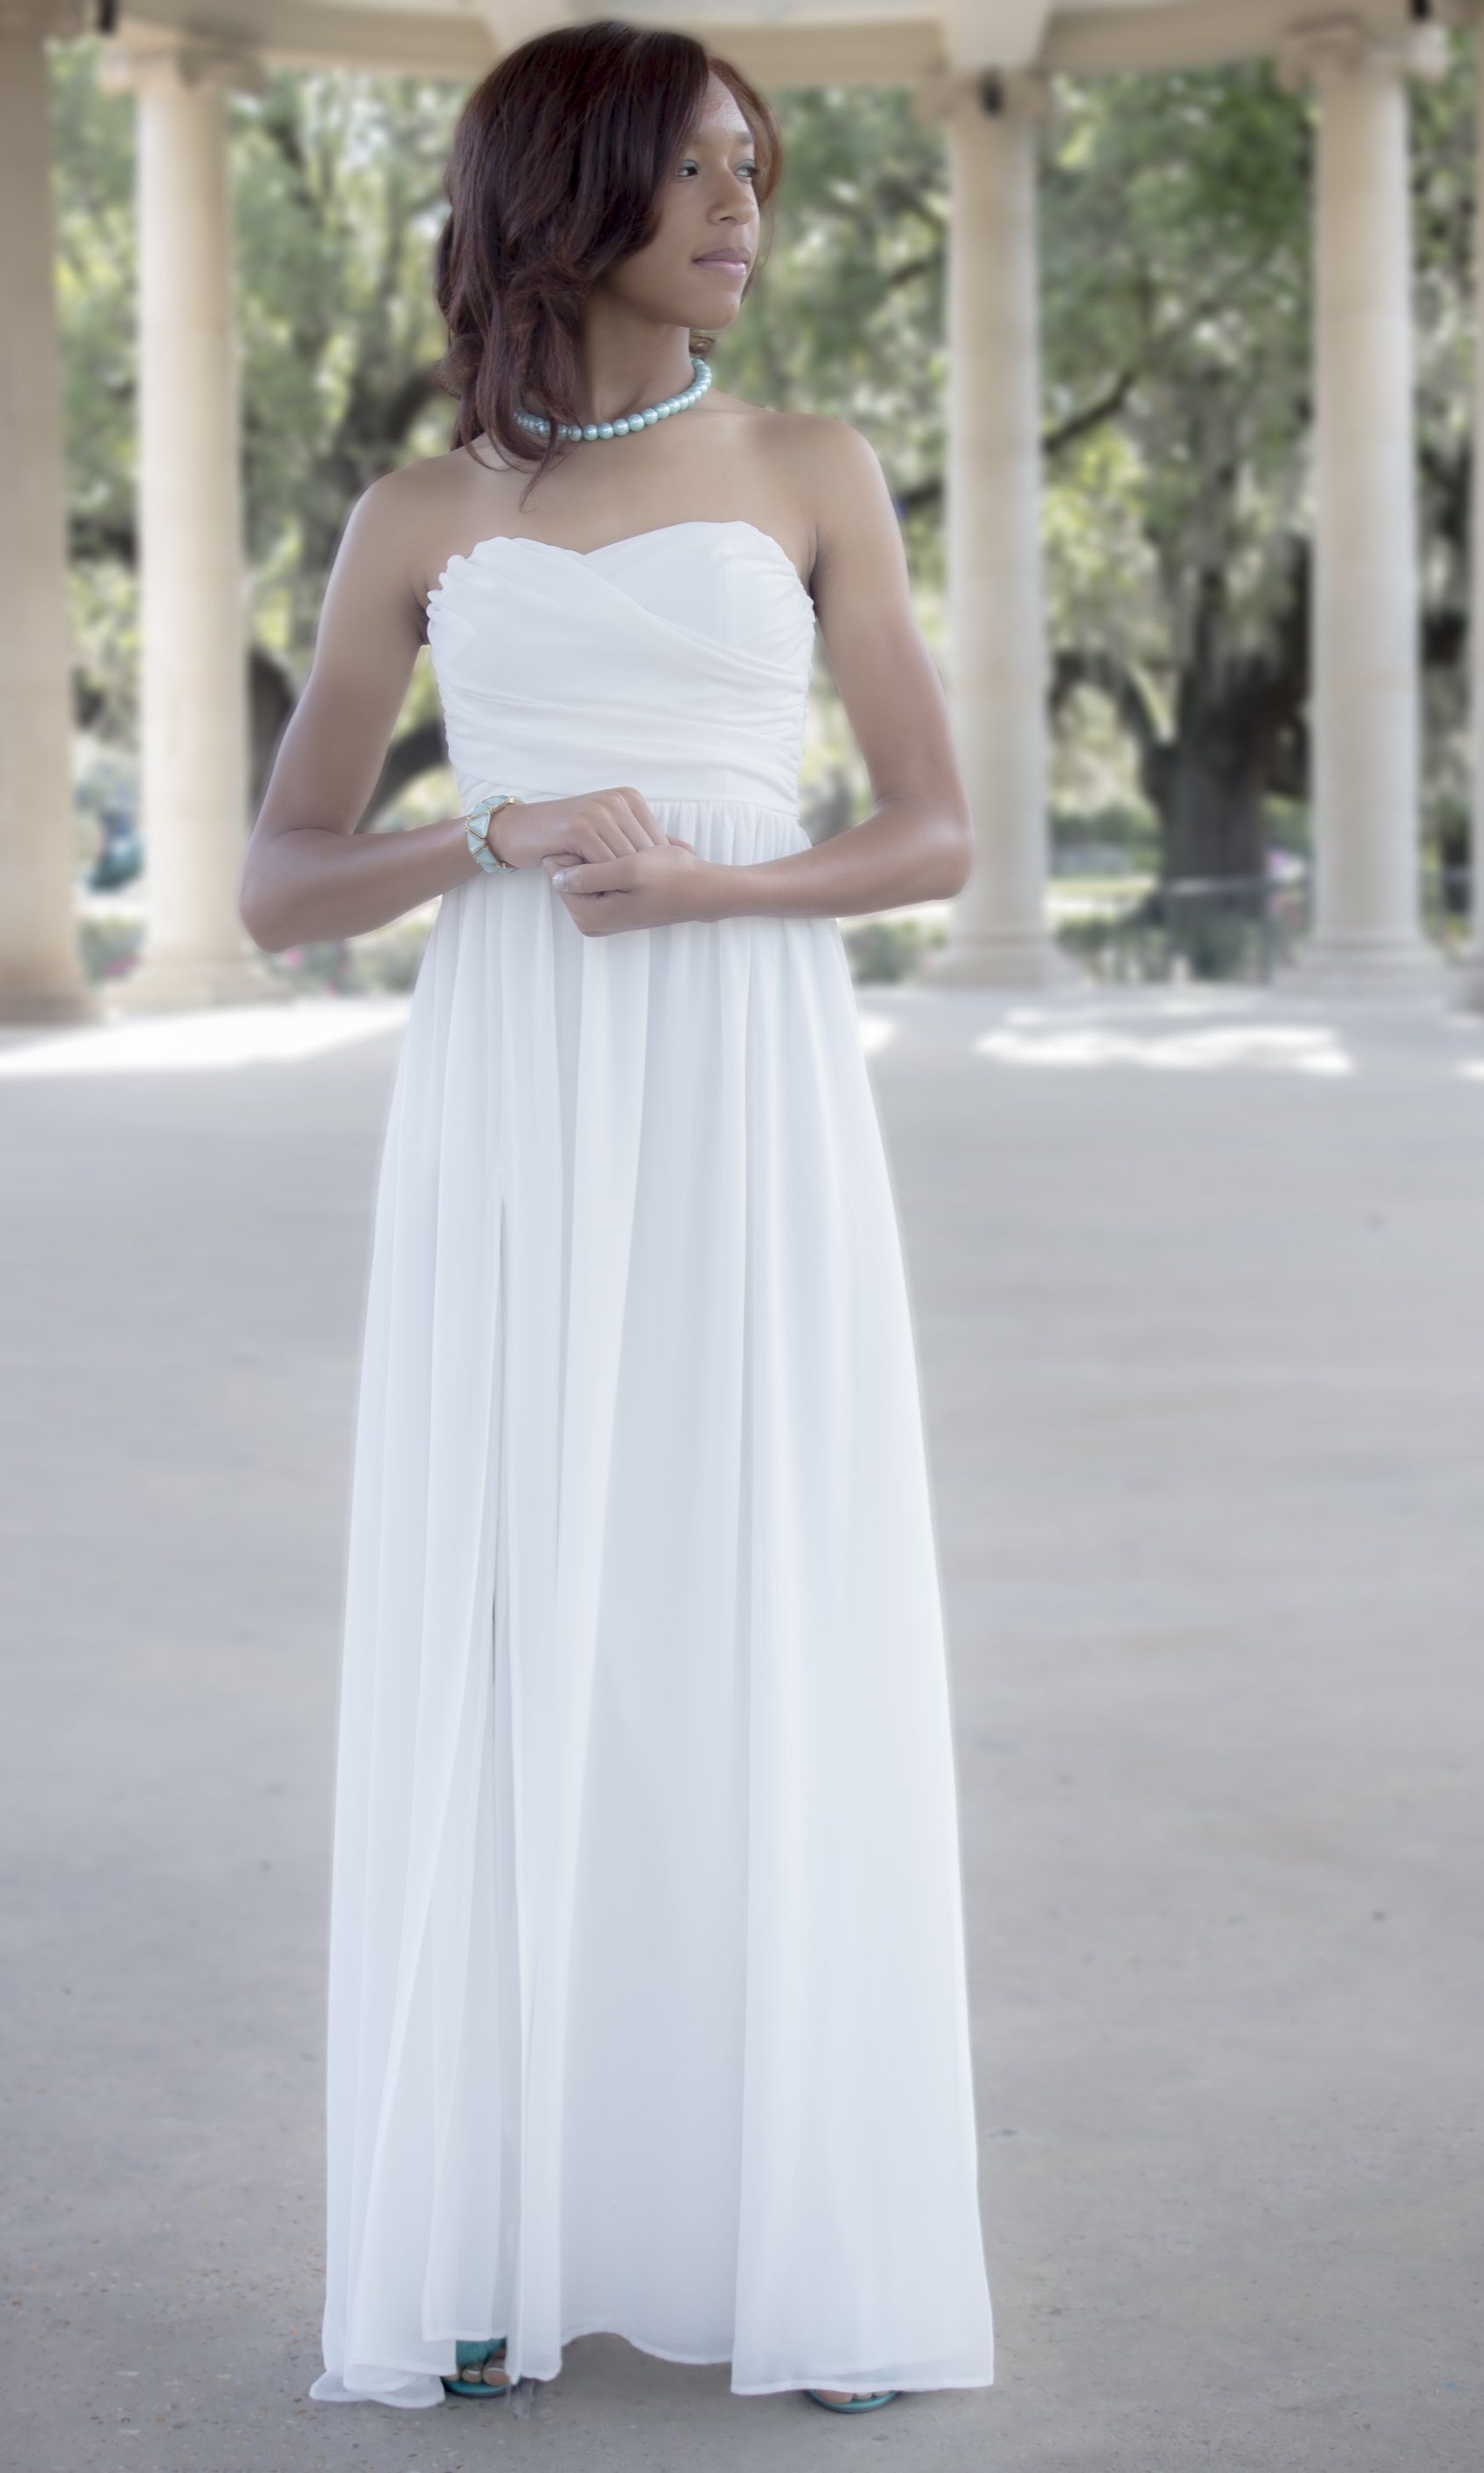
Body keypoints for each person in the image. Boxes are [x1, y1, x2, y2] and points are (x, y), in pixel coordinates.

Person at [239, 16, 996, 2418]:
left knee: (743, 1580)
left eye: (755, 172)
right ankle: (487, 2236)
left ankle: (802, 2237)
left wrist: (704, 899)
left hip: (741, 1077)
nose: (747, 213)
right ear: (566, 198)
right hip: (514, 1091)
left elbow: (937, 831)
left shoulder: (810, 465)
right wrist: (489, 834)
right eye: (698, 176)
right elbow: (277, 885)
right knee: (516, 1599)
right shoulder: (416, 524)